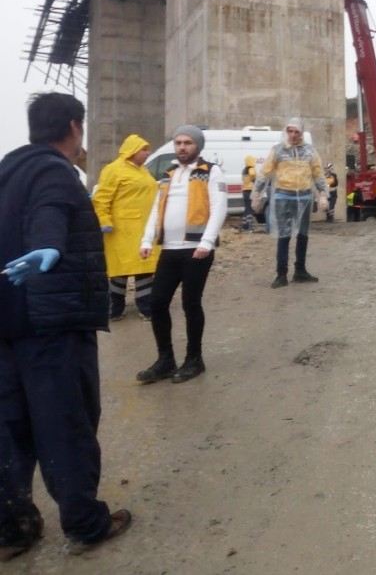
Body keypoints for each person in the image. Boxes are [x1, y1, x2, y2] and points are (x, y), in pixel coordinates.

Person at [0, 92, 132, 559]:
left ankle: (13, 530)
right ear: (75, 127)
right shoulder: (55, 172)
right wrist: (50, 248)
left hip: (7, 324)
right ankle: (85, 523)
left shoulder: (7, 170)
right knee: (65, 424)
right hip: (51, 324)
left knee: (10, 427)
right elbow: (50, 215)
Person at [137, 125, 227, 384]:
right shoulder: (169, 174)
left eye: (187, 142)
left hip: (196, 250)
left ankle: (194, 359)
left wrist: (207, 241)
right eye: (178, 143)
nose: (182, 147)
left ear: (197, 146)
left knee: (191, 303)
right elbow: (157, 208)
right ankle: (165, 360)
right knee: (157, 302)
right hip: (170, 249)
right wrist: (147, 238)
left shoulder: (211, 171)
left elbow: (218, 207)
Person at [251, 118, 328, 288]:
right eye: (290, 131)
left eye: (296, 132)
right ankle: (281, 274)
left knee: (303, 235)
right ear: (286, 132)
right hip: (283, 197)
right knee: (284, 235)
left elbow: (317, 173)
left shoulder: (310, 152)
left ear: (301, 133)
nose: (293, 135)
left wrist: (323, 194)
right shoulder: (278, 151)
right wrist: (257, 193)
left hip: (305, 197)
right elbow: (265, 173)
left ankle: (300, 270)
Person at [91, 134, 159, 320]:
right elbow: (101, 198)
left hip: (143, 228)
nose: (148, 153)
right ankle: (115, 308)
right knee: (119, 271)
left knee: (144, 268)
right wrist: (104, 221)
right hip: (120, 230)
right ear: (133, 150)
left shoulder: (143, 170)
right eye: (144, 150)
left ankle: (146, 308)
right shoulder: (113, 170)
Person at [241, 154, 257, 231]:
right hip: (250, 190)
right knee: (250, 209)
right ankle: (250, 226)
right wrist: (254, 179)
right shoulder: (251, 169)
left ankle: (245, 225)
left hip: (244, 190)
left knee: (247, 208)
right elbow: (253, 175)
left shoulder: (244, 170)